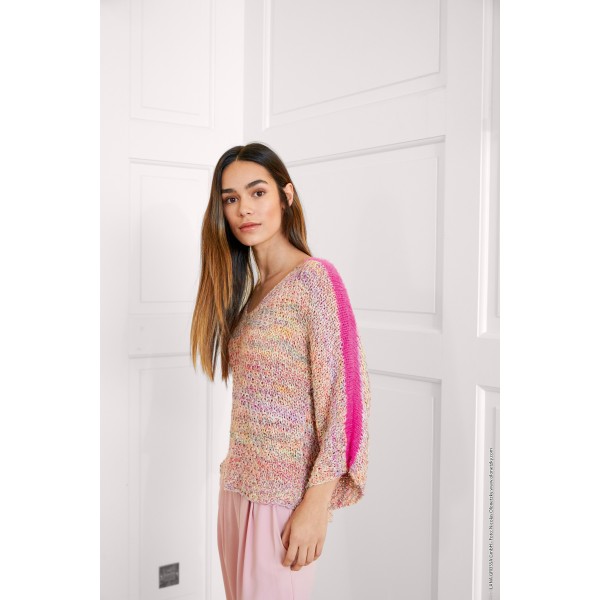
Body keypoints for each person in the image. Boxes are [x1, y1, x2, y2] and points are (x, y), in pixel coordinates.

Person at [190, 142, 371, 600]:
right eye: (231, 199)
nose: (244, 210)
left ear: (286, 196)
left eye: (258, 193)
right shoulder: (251, 292)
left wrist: (316, 505)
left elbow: (346, 400)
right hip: (237, 491)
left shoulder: (315, 281)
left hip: (283, 501)